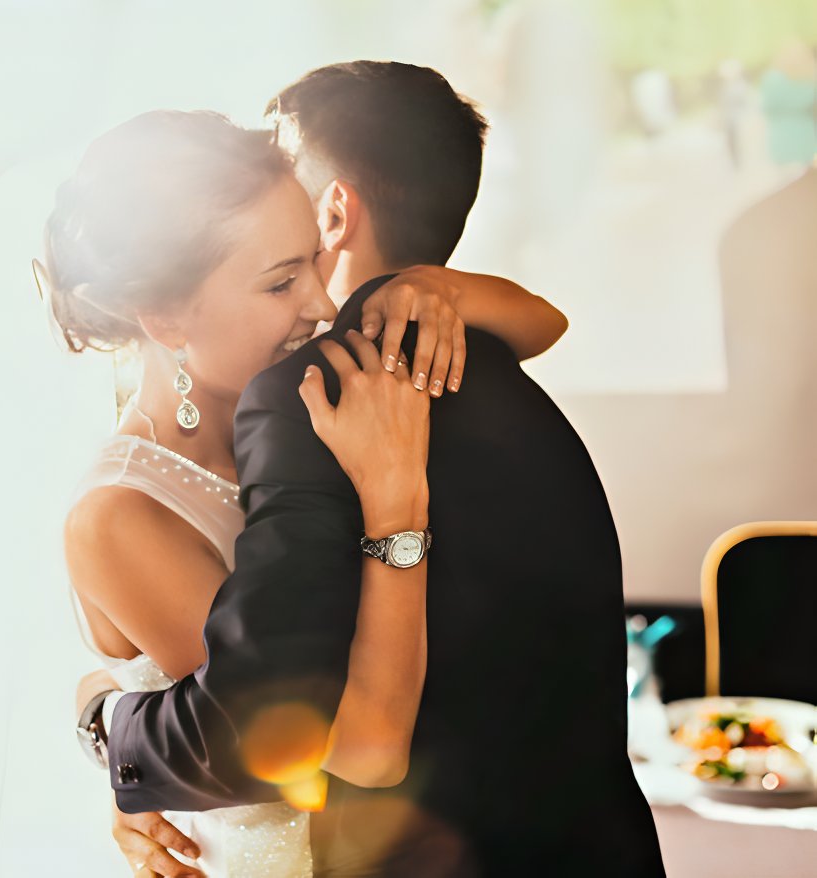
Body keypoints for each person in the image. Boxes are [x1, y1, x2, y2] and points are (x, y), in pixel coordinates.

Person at [80, 62, 665, 877]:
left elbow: (331, 735)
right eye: (282, 277)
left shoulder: (310, 400)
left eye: (305, 259)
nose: (318, 303)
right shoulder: (496, 373)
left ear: (334, 210)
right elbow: (267, 717)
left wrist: (107, 726)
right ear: (166, 315)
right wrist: (133, 773)